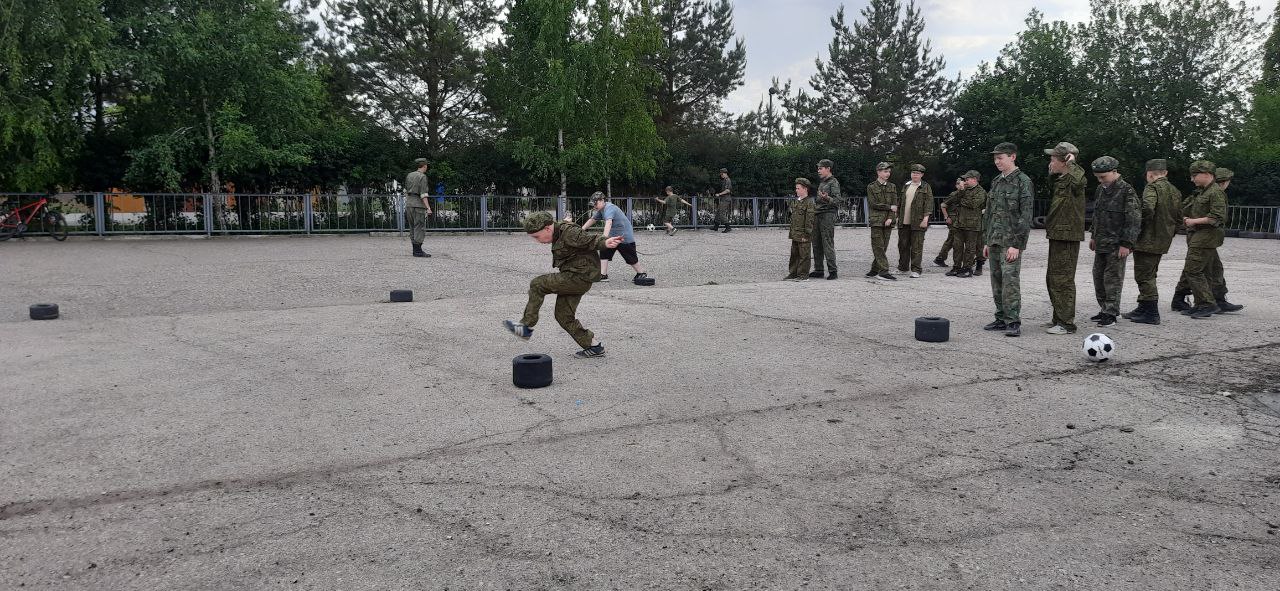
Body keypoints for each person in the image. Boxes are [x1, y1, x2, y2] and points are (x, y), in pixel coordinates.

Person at [504, 212, 623, 358]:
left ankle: (525, 325)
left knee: (537, 284)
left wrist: (605, 242)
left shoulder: (570, 232)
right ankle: (594, 347)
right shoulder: (557, 229)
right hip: (574, 276)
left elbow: (590, 239)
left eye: (537, 236)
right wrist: (567, 219)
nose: (537, 241)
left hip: (579, 277)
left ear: (548, 229)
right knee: (563, 315)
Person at [983, 143, 1034, 337]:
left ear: (1012, 157)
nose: (997, 161)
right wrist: (986, 241)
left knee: (1010, 281)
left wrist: (1017, 245)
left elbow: (1025, 215)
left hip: (1011, 243)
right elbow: (990, 213)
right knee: (996, 280)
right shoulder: (996, 181)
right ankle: (1001, 317)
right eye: (995, 158)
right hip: (995, 240)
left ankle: (1013, 321)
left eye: (1001, 157)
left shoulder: (1023, 181)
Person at [1123, 158, 1182, 325]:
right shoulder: (1175, 190)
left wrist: (1137, 229)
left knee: (1144, 276)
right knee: (1150, 274)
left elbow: (1147, 208)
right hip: (1163, 240)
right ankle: (1143, 306)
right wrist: (1169, 233)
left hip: (1147, 240)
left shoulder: (1152, 187)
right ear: (1165, 173)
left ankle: (1150, 311)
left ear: (1149, 174)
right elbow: (1179, 218)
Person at [1086, 156, 1141, 327]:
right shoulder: (1101, 190)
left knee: (1113, 279)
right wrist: (1093, 235)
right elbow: (1097, 214)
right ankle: (1104, 309)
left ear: (1114, 172)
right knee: (1098, 277)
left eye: (1103, 177)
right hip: (1101, 241)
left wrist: (1127, 243)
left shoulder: (1126, 191)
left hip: (1117, 244)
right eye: (1098, 177)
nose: (1101, 180)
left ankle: (1111, 313)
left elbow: (1134, 219)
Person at [1043, 142, 1087, 335]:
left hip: (1067, 236)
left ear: (1065, 160)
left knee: (1063, 279)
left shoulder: (1075, 178)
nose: (1050, 162)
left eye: (1053, 159)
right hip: (1058, 234)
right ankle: (1058, 317)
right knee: (1053, 278)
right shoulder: (1061, 180)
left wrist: (1072, 164)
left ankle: (1066, 323)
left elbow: (1080, 182)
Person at [1177, 160, 1229, 318]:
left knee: (1193, 271)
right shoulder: (1202, 192)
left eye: (1195, 175)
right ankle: (1202, 303)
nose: (1192, 179)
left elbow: (1217, 217)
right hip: (1199, 236)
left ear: (1207, 174)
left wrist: (1193, 221)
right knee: (1206, 271)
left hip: (1206, 236)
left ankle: (1207, 304)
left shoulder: (1215, 192)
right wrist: (1187, 217)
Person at [582, 192, 652, 285]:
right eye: (593, 204)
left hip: (624, 237)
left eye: (595, 203)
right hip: (613, 236)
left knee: (630, 256)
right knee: (604, 251)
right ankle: (603, 274)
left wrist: (604, 237)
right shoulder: (601, 210)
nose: (594, 206)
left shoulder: (609, 208)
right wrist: (581, 230)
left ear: (602, 200)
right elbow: (592, 220)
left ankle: (641, 273)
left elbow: (609, 222)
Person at [896, 164, 933, 278]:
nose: (915, 175)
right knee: (902, 245)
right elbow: (901, 203)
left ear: (922, 174)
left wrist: (926, 218)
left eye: (917, 173)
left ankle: (916, 269)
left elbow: (929, 203)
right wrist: (897, 217)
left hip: (918, 221)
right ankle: (903, 268)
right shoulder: (906, 186)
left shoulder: (926, 187)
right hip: (904, 221)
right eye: (913, 173)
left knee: (916, 247)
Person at [809, 159, 842, 280]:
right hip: (818, 214)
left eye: (820, 168)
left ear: (828, 169)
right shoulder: (822, 183)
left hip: (827, 215)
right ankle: (819, 270)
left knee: (827, 242)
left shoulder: (833, 182)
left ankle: (833, 271)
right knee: (816, 243)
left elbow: (838, 201)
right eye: (818, 168)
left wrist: (827, 198)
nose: (818, 171)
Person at [866, 162, 898, 280]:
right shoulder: (871, 186)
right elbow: (873, 204)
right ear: (878, 172)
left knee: (883, 246)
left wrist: (890, 217)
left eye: (889, 171)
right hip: (877, 221)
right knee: (878, 246)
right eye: (885, 171)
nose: (888, 174)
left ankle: (874, 269)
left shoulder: (892, 186)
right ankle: (883, 271)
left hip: (888, 221)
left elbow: (894, 204)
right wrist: (889, 207)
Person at [950, 170, 986, 278]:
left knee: (970, 248)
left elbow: (973, 204)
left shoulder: (980, 191)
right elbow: (954, 200)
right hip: (960, 222)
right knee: (957, 246)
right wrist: (961, 191)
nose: (965, 181)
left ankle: (967, 268)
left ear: (974, 179)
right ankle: (956, 267)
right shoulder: (963, 189)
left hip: (972, 224)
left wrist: (961, 199)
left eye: (967, 179)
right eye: (964, 179)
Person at [785, 178, 817, 281]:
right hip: (795, 234)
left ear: (805, 189)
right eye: (796, 188)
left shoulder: (809, 202)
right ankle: (793, 273)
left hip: (803, 234)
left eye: (798, 188)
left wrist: (807, 234)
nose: (796, 190)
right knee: (794, 255)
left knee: (804, 255)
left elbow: (810, 220)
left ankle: (803, 275)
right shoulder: (797, 202)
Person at [403, 158, 433, 258]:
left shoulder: (409, 175)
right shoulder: (422, 177)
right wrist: (428, 207)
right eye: (427, 166)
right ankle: (418, 251)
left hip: (409, 204)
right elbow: (423, 194)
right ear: (425, 166)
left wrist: (409, 201)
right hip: (418, 205)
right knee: (419, 227)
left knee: (412, 227)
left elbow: (406, 191)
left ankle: (415, 251)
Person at [938, 177, 966, 275]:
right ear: (956, 185)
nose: (960, 185)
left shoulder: (966, 194)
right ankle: (940, 257)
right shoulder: (954, 194)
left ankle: (940, 257)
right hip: (953, 220)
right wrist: (946, 217)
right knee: (952, 240)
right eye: (958, 184)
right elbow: (943, 205)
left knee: (951, 239)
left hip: (959, 220)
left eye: (961, 183)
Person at [710, 168, 733, 232]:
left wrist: (719, 194)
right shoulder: (725, 180)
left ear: (725, 173)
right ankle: (716, 227)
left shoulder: (728, 180)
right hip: (724, 199)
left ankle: (728, 227)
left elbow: (728, 190)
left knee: (721, 213)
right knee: (718, 212)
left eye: (722, 174)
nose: (721, 175)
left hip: (726, 199)